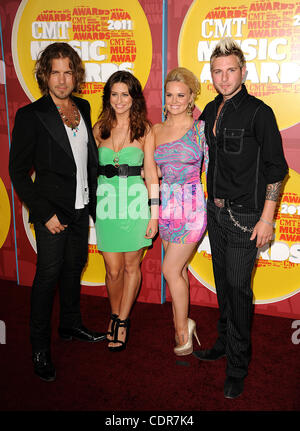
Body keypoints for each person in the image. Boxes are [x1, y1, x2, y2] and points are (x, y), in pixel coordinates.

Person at [194, 38, 288, 398]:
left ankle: (237, 364)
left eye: (230, 70)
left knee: (238, 290)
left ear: (243, 71)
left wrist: (267, 218)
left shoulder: (258, 112)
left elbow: (276, 169)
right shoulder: (210, 108)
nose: (224, 77)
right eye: (217, 71)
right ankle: (222, 342)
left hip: (245, 216)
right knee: (224, 285)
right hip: (214, 213)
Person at [9, 42, 106, 382]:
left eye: (68, 71)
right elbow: (18, 172)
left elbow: (85, 159)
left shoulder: (83, 106)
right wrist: (43, 212)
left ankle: (70, 325)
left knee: (73, 268)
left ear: (75, 74)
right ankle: (39, 347)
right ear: (44, 75)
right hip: (52, 213)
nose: (62, 79)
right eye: (55, 72)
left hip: (81, 208)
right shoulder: (31, 115)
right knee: (47, 277)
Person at [93, 71, 159, 352]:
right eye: (114, 94)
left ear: (134, 98)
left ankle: (121, 320)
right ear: (108, 97)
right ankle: (114, 311)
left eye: (125, 94)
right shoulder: (99, 129)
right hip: (106, 206)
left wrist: (154, 214)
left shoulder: (145, 130)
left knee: (132, 266)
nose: (120, 100)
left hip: (134, 205)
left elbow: (153, 176)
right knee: (112, 269)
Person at [153, 67, 208, 356]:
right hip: (166, 208)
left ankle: (181, 332)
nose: (174, 100)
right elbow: (152, 174)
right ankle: (185, 320)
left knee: (169, 269)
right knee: (181, 270)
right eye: (170, 94)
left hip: (192, 208)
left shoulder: (200, 129)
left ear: (190, 99)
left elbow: (211, 171)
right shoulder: (156, 130)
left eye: (181, 95)